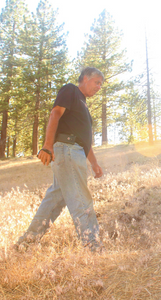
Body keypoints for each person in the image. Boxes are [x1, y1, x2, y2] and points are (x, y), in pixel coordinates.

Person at [16, 67, 104, 251]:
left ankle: (26, 243)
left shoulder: (84, 107)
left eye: (101, 84)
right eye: (97, 82)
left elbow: (84, 140)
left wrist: (94, 164)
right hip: (67, 151)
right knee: (80, 199)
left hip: (74, 152)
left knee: (55, 200)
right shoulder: (71, 90)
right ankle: (93, 248)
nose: (99, 87)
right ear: (85, 78)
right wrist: (47, 146)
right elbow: (55, 114)